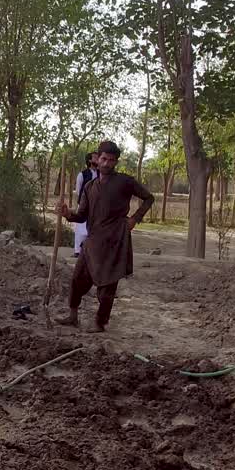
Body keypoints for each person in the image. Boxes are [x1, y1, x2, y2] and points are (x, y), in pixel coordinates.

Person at [54, 140, 155, 332]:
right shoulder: (90, 187)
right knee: (77, 279)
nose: (107, 163)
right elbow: (82, 215)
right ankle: (72, 316)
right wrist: (67, 214)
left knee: (107, 285)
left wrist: (135, 218)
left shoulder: (125, 182)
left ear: (116, 162)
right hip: (93, 241)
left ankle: (100, 323)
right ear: (96, 159)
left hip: (115, 240)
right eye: (104, 159)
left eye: (112, 160)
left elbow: (149, 198)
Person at [73, 152, 99, 256]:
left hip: (97, 206)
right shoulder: (82, 175)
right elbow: (79, 191)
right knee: (80, 227)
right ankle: (78, 251)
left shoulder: (101, 174)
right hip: (84, 205)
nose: (98, 159)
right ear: (90, 161)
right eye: (95, 158)